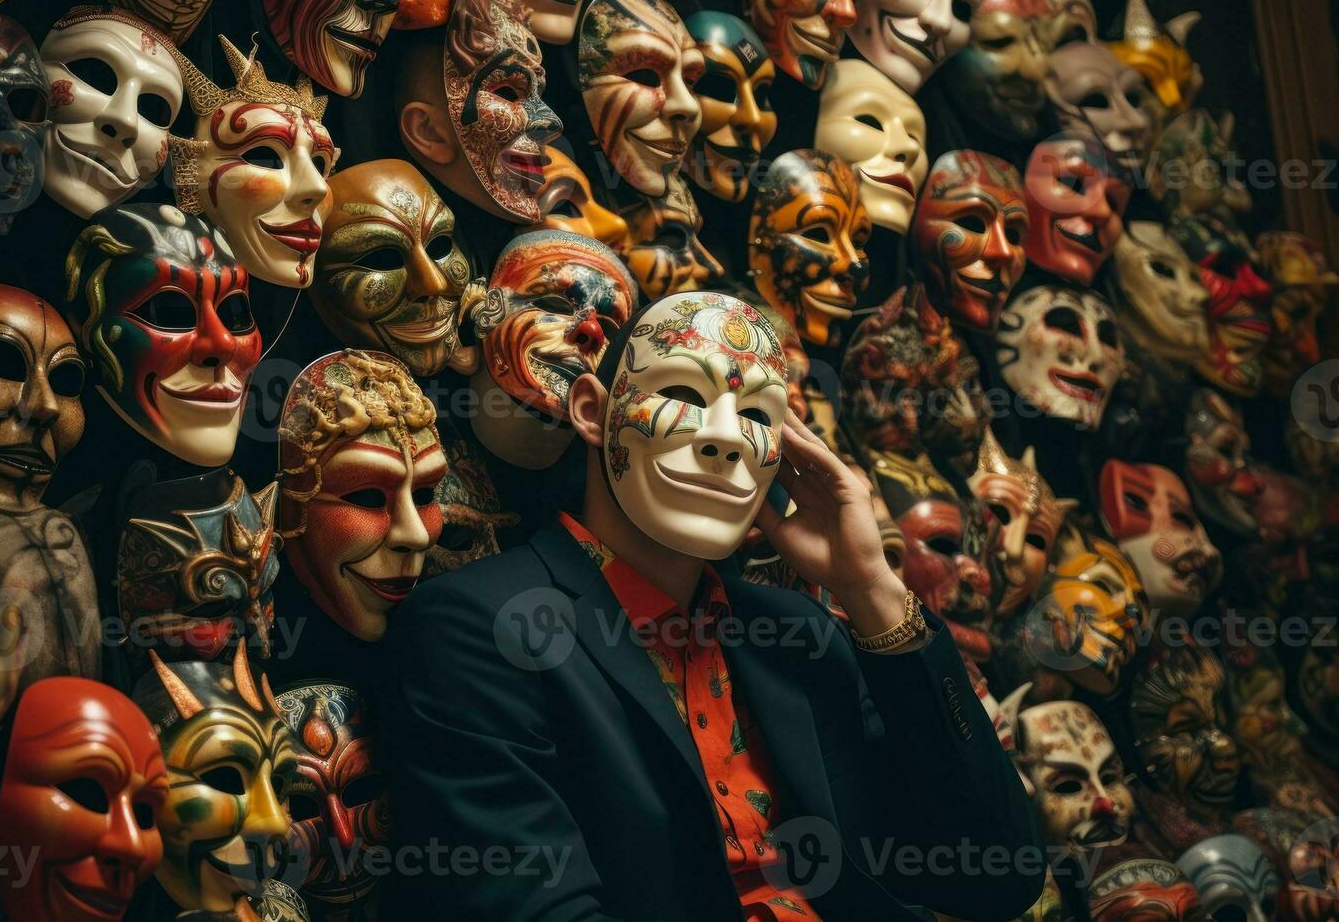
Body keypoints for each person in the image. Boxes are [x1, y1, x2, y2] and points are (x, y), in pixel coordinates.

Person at [378, 292, 1044, 920]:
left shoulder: (796, 638)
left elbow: (997, 874)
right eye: (680, 394)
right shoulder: (482, 631)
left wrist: (869, 586)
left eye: (757, 415)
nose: (725, 438)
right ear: (590, 410)